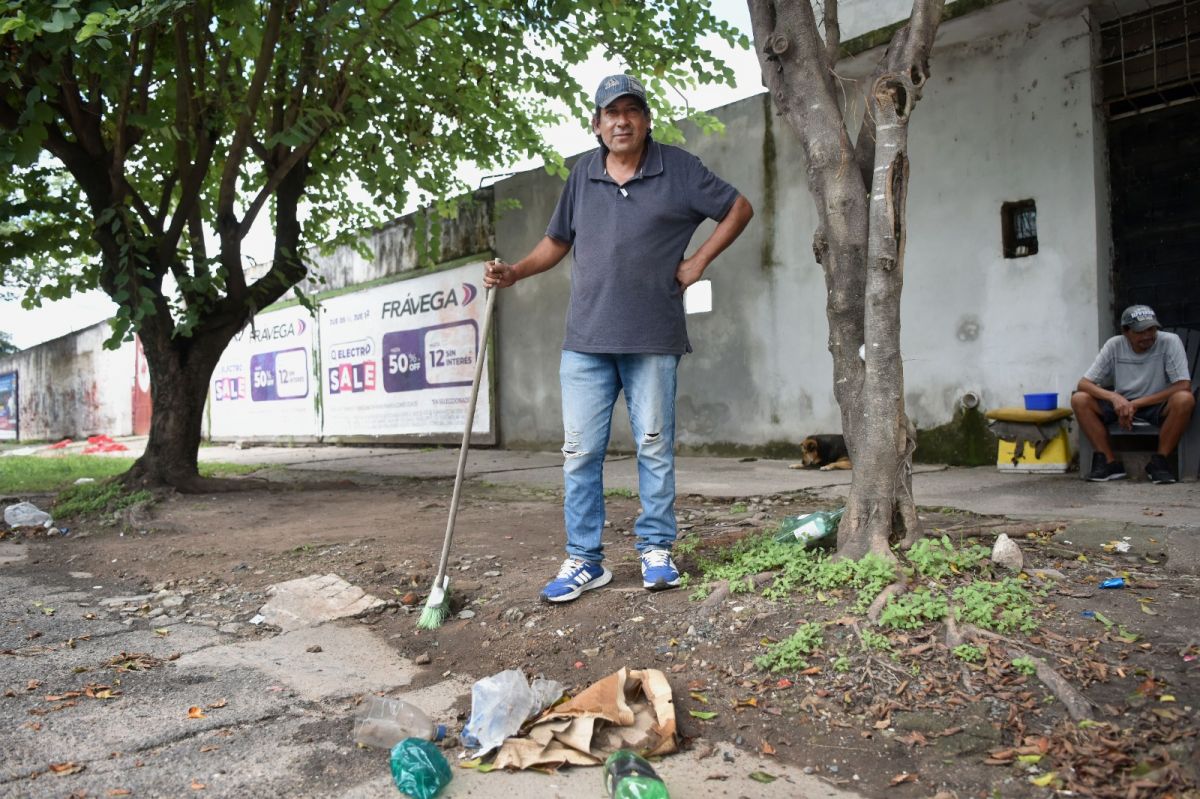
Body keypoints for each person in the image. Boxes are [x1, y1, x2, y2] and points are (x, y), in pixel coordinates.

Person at [483, 74, 753, 602]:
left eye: (632, 111)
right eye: (612, 113)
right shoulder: (583, 174)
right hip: (586, 341)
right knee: (580, 452)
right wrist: (516, 272)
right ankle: (585, 560)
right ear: (597, 124)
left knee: (653, 446)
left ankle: (656, 550)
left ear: (647, 120)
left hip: (652, 336)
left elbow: (738, 207)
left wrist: (698, 261)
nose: (622, 121)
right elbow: (556, 241)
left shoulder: (679, 168)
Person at [1071, 304, 1194, 484]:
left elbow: (1183, 385)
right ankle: (1109, 462)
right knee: (1079, 399)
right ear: (1126, 331)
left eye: (1151, 329)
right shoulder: (1115, 345)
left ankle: (1159, 462)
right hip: (1121, 401)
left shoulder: (1170, 341)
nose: (1147, 336)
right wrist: (1115, 398)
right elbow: (1084, 384)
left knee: (1185, 399)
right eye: (1140, 332)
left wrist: (1135, 404)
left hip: (1156, 403)